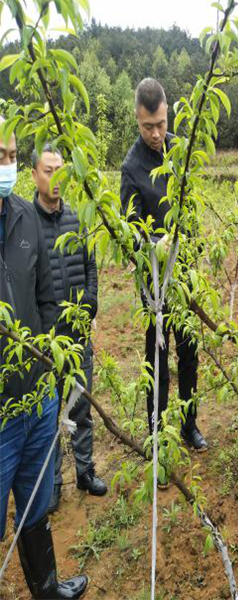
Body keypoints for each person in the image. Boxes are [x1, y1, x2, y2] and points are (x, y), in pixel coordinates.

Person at [0, 121, 88, 598]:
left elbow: (47, 298)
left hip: (35, 393)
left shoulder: (24, 217)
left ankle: (48, 589)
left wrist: (57, 361)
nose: (5, 165)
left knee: (35, 502)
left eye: (10, 154)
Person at [120, 78, 207, 452]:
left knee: (189, 352)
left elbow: (191, 210)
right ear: (137, 120)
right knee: (157, 357)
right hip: (155, 282)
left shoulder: (179, 153)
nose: (156, 134)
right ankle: (156, 435)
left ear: (167, 111)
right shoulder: (131, 167)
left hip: (184, 276)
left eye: (161, 124)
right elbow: (129, 232)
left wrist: (194, 246)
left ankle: (189, 425)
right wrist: (154, 245)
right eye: (147, 127)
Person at [32, 144, 106, 514]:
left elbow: (91, 266)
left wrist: (90, 302)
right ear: (34, 175)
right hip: (45, 344)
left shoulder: (78, 219)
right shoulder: (25, 224)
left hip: (78, 338)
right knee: (48, 415)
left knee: (80, 408)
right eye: (48, 170)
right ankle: (54, 483)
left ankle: (85, 471)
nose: (55, 177)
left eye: (60, 170)